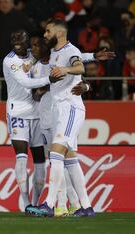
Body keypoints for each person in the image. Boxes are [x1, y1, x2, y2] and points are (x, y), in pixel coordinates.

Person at [28, 36, 115, 217]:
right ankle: (82, 206)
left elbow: (78, 61)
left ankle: (56, 205)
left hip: (66, 115)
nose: (34, 48)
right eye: (32, 46)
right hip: (47, 120)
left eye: (37, 45)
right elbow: (34, 95)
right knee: (67, 160)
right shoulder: (36, 66)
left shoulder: (61, 57)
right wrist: (42, 88)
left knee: (58, 157)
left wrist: (87, 84)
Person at [2, 30, 62, 213]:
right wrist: (49, 81)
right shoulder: (10, 60)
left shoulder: (32, 54)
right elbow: (25, 83)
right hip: (17, 112)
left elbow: (46, 57)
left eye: (20, 38)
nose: (16, 41)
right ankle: (26, 201)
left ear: (28, 41)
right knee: (21, 155)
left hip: (37, 113)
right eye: (13, 37)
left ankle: (35, 204)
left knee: (39, 159)